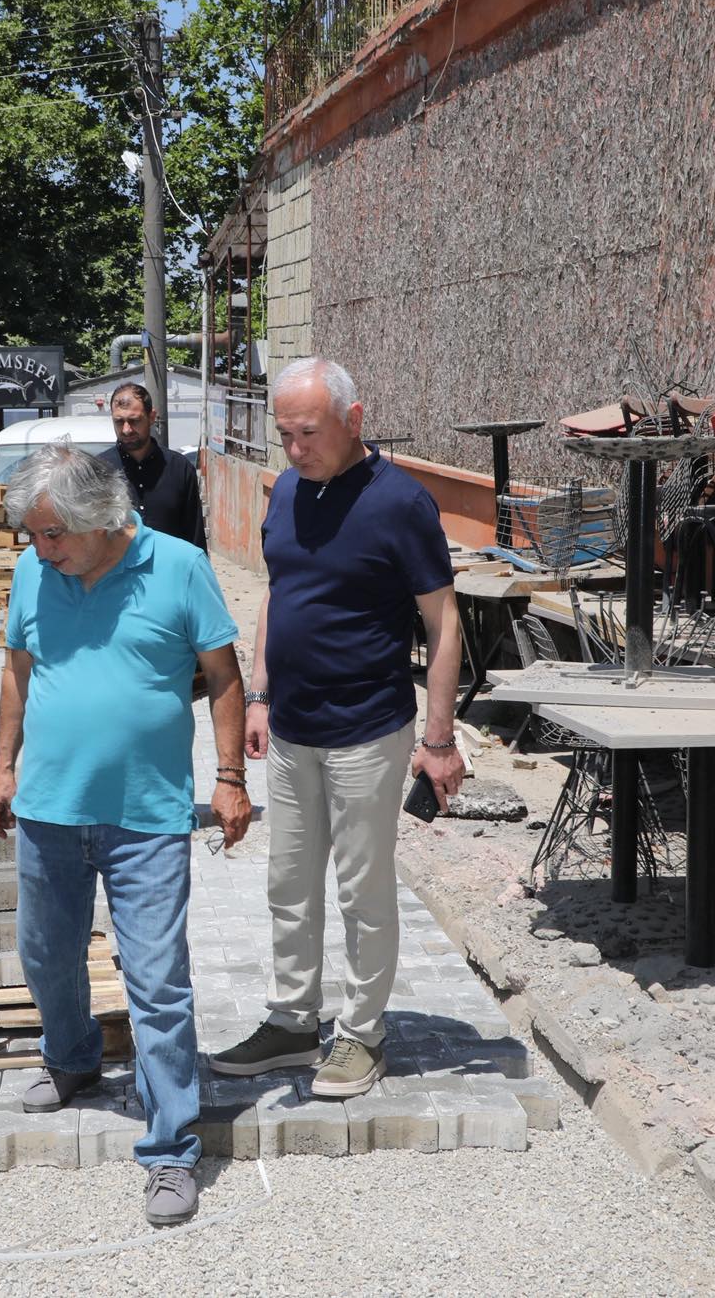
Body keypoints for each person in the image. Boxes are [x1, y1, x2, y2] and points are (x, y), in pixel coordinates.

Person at [0, 443, 250, 1227]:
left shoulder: (179, 567)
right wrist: (3, 767)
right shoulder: (35, 574)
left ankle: (171, 1148)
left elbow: (224, 676)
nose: (41, 550)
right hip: (49, 809)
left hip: (146, 816)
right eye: (33, 535)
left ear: (101, 518)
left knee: (158, 981)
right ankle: (71, 1057)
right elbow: (17, 670)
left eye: (53, 534)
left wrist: (229, 778)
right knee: (45, 954)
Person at [209, 357, 465, 1098]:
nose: (295, 449)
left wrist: (439, 740)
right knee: (288, 883)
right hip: (292, 729)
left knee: (362, 891)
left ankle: (362, 1033)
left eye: (309, 433)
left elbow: (444, 623)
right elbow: (277, 593)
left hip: (367, 730)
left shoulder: (400, 503)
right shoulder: (288, 490)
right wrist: (260, 695)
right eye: (285, 434)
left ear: (354, 420)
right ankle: (294, 1021)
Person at [98, 383, 208, 549]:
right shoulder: (98, 472)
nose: (126, 430)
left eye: (134, 421)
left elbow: (194, 536)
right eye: (119, 422)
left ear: (151, 417)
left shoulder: (180, 469)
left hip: (171, 565)